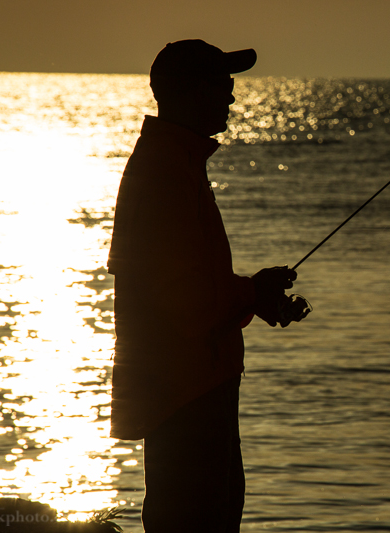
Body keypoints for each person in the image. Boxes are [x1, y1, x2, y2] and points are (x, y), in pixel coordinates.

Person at [107, 39, 303, 532]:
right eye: (223, 85)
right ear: (193, 90)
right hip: (186, 395)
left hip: (190, 388)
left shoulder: (176, 163)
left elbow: (184, 284)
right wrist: (249, 294)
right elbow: (182, 302)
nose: (232, 98)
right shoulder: (167, 173)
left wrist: (253, 295)